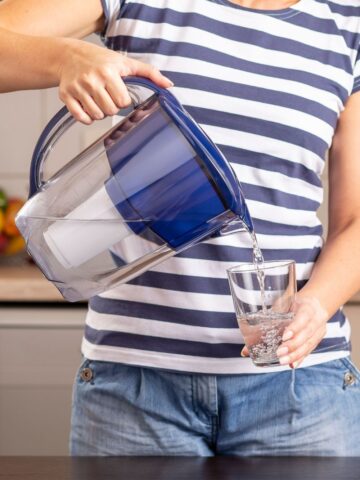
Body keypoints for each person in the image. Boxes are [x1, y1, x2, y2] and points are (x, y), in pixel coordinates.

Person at [1, 0, 360, 456]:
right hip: (132, 390)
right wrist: (65, 58)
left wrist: (314, 306)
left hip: (301, 394)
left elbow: (355, 221)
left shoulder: (348, 25)